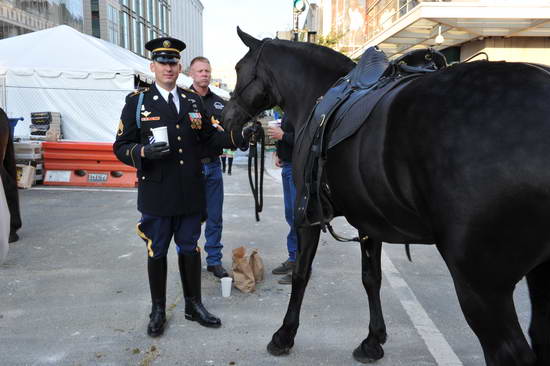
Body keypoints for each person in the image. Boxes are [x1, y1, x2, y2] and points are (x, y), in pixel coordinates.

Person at [113, 37, 252, 337]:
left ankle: (194, 305)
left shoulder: (192, 101)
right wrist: (142, 153)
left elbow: (208, 140)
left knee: (190, 249)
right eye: (162, 62)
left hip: (190, 190)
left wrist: (238, 136)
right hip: (157, 193)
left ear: (180, 68)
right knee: (157, 251)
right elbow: (120, 146)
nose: (168, 68)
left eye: (173, 63)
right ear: (152, 66)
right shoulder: (137, 102)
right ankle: (158, 309)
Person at [188, 56, 231, 278]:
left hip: (213, 166)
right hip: (190, 169)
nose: (204, 74)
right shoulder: (182, 100)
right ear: (191, 74)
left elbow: (228, 132)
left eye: (207, 71)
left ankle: (214, 261)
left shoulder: (220, 103)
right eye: (200, 71)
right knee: (191, 217)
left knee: (215, 217)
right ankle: (190, 258)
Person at [267, 115, 297, 285]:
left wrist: (282, 136)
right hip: (287, 165)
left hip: (297, 167)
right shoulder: (289, 108)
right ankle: (293, 258)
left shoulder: (305, 105)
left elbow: (306, 137)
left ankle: (301, 266)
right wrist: (280, 152)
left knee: (298, 217)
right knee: (290, 216)